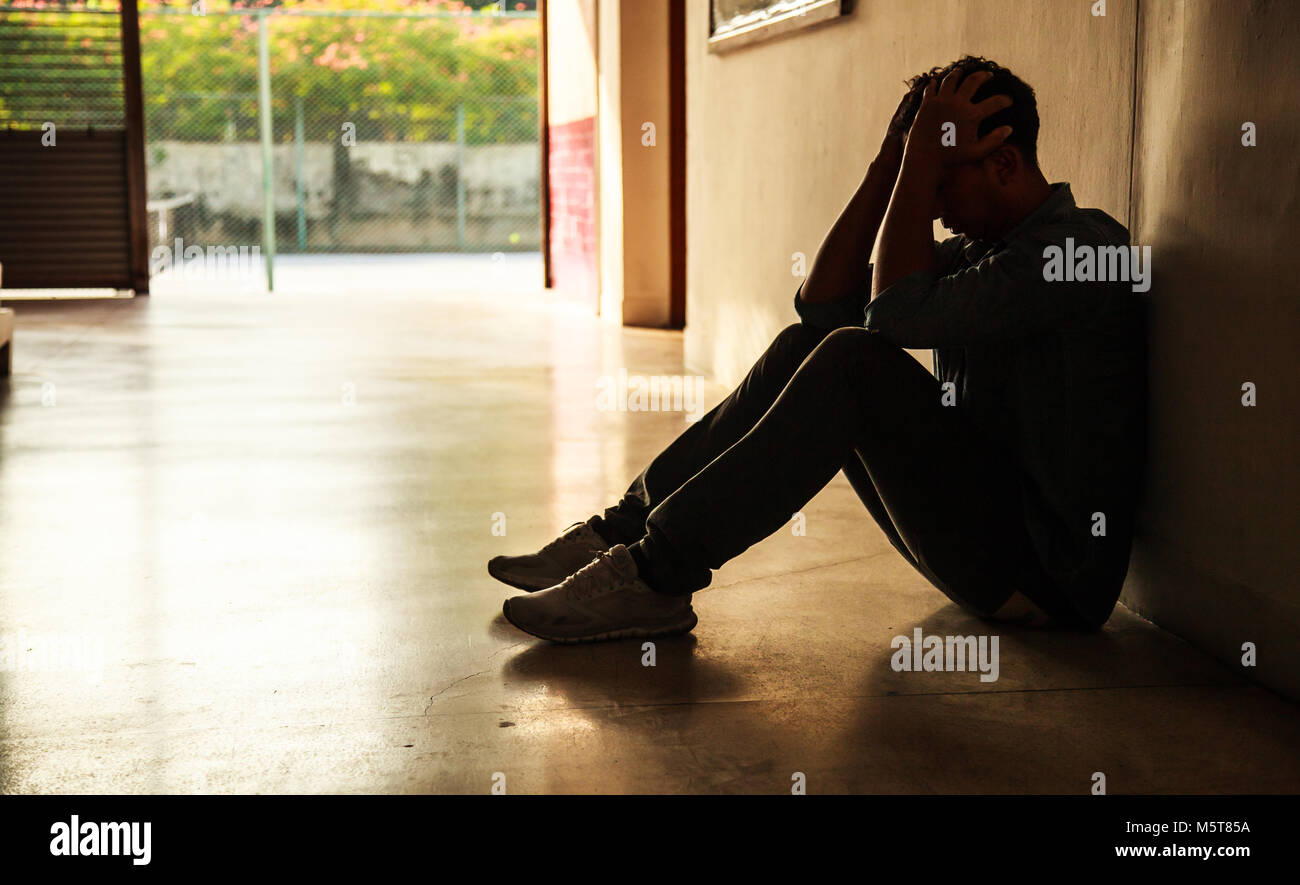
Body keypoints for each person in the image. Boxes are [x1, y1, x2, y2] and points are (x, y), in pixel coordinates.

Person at [490, 56, 1147, 644]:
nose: (932, 209)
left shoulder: (1077, 254)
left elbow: (889, 316)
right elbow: (823, 303)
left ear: (1004, 163)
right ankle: (624, 530)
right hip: (988, 540)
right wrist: (891, 162)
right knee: (811, 342)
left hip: (1050, 577)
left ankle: (656, 573)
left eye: (940, 184)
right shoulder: (988, 252)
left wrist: (919, 164)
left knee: (854, 360)